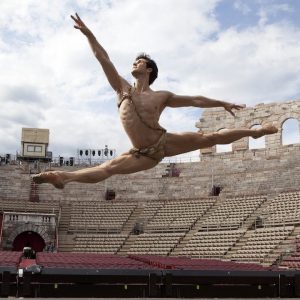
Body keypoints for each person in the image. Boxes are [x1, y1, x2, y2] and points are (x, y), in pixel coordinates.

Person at [32, 13, 278, 189]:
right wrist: (89, 35)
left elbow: (195, 100)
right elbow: (103, 59)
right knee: (108, 169)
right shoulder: (122, 89)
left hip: (163, 142)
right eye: (134, 62)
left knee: (209, 138)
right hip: (142, 154)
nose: (134, 64)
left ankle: (255, 132)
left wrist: (221, 102)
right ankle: (64, 177)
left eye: (139, 62)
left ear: (149, 70)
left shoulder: (162, 96)